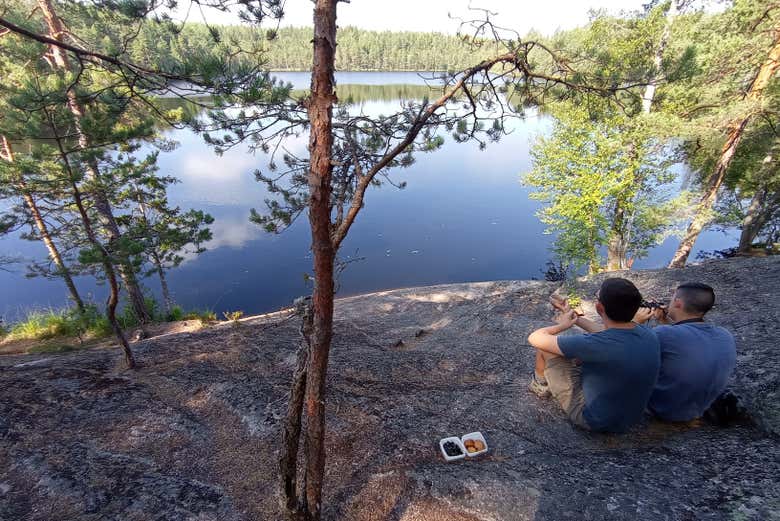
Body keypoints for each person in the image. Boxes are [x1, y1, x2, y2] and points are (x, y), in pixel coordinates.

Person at [527, 278, 660, 433]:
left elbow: (535, 338)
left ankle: (540, 387)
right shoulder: (648, 334)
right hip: (631, 416)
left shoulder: (595, 345)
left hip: (595, 420)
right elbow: (605, 332)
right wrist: (572, 315)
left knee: (546, 349)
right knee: (577, 357)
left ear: (598, 307)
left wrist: (563, 325)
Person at [633, 282, 736, 422]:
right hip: (700, 408)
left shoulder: (664, 334)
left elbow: (621, 347)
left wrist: (634, 323)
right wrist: (663, 320)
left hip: (663, 410)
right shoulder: (724, 334)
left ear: (678, 303)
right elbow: (685, 341)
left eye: (671, 298)